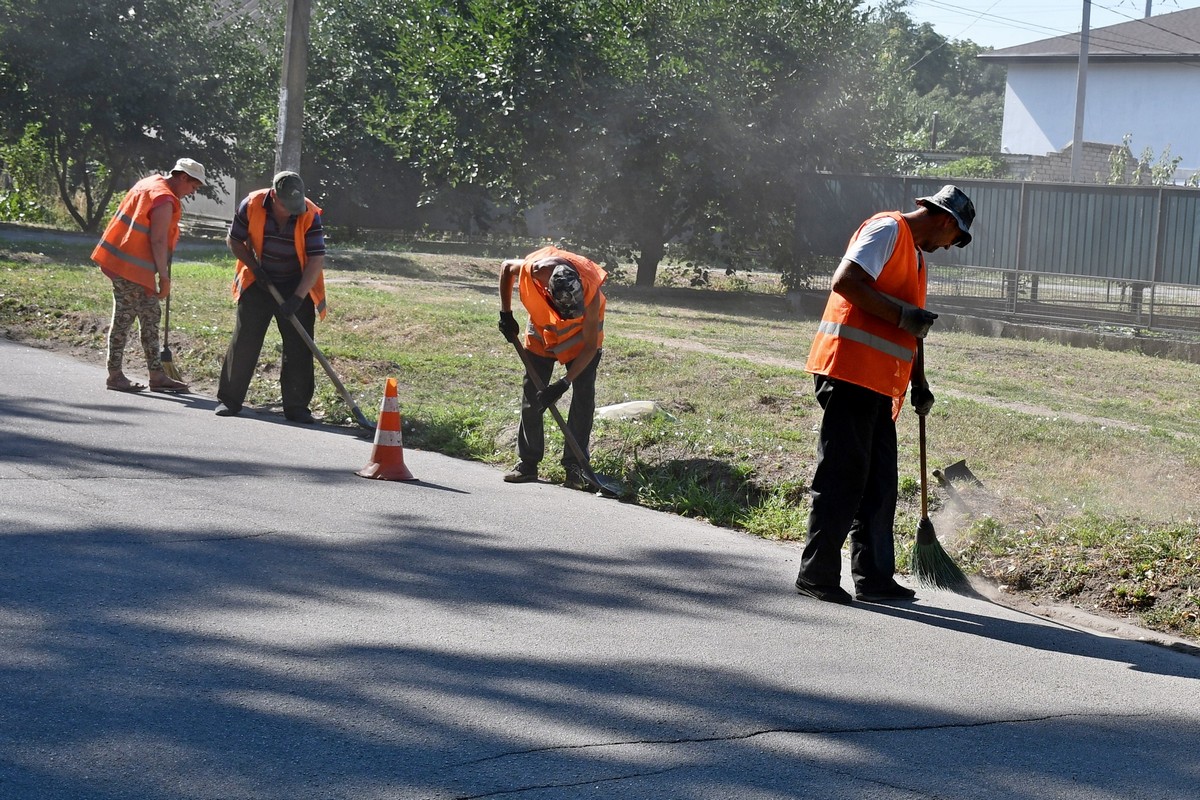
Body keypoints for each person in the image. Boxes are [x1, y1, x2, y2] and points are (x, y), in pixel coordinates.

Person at [795, 184, 975, 604]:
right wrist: (902, 315)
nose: (951, 247)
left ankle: (873, 579)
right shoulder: (887, 230)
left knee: (879, 484)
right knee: (843, 477)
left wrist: (920, 382)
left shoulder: (915, 258)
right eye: (957, 238)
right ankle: (816, 576)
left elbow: (914, 327)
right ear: (946, 220)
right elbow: (846, 282)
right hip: (849, 372)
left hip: (879, 382)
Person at [215, 171, 327, 423]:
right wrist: (254, 268)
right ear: (274, 196)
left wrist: (297, 298)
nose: (292, 211)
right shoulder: (252, 204)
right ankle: (229, 400)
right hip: (259, 279)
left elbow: (316, 260)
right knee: (245, 339)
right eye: (287, 206)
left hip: (297, 282)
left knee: (299, 345)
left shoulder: (308, 214)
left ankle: (297, 407)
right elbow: (234, 240)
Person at [92, 157, 205, 393]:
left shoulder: (151, 183)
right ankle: (115, 375)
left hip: (132, 265)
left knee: (151, 315)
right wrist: (164, 278)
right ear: (183, 177)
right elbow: (158, 239)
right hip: (130, 267)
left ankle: (156, 375)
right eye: (192, 187)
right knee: (124, 319)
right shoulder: (163, 199)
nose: (191, 193)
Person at [498, 246, 606, 490]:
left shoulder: (591, 292)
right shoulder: (535, 269)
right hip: (542, 331)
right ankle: (527, 463)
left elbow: (590, 347)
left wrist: (563, 382)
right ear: (549, 290)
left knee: (584, 396)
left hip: (581, 339)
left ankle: (575, 468)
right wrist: (506, 313)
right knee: (532, 395)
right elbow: (506, 268)